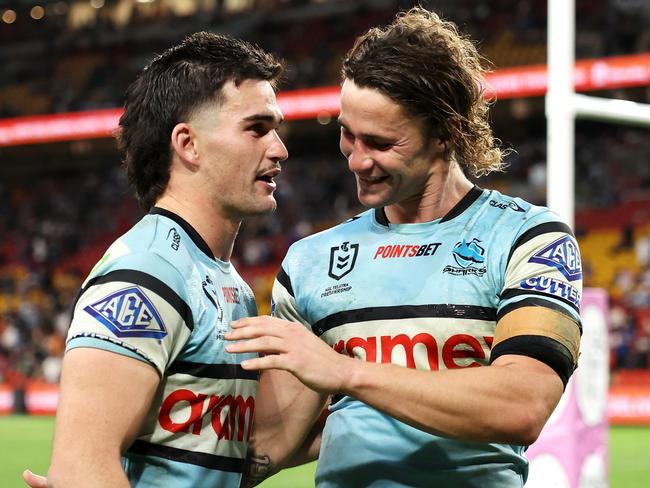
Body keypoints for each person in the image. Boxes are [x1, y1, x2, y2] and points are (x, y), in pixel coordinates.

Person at [227, 7, 583, 487]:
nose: (356, 160)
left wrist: (346, 373)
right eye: (346, 134)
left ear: (446, 133)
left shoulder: (531, 239)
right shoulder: (311, 261)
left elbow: (522, 404)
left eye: (380, 142)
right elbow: (274, 440)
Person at [23, 31, 288, 487]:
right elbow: (81, 469)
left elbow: (217, 460)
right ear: (188, 144)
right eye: (257, 129)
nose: (280, 149)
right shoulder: (146, 275)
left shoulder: (226, 283)